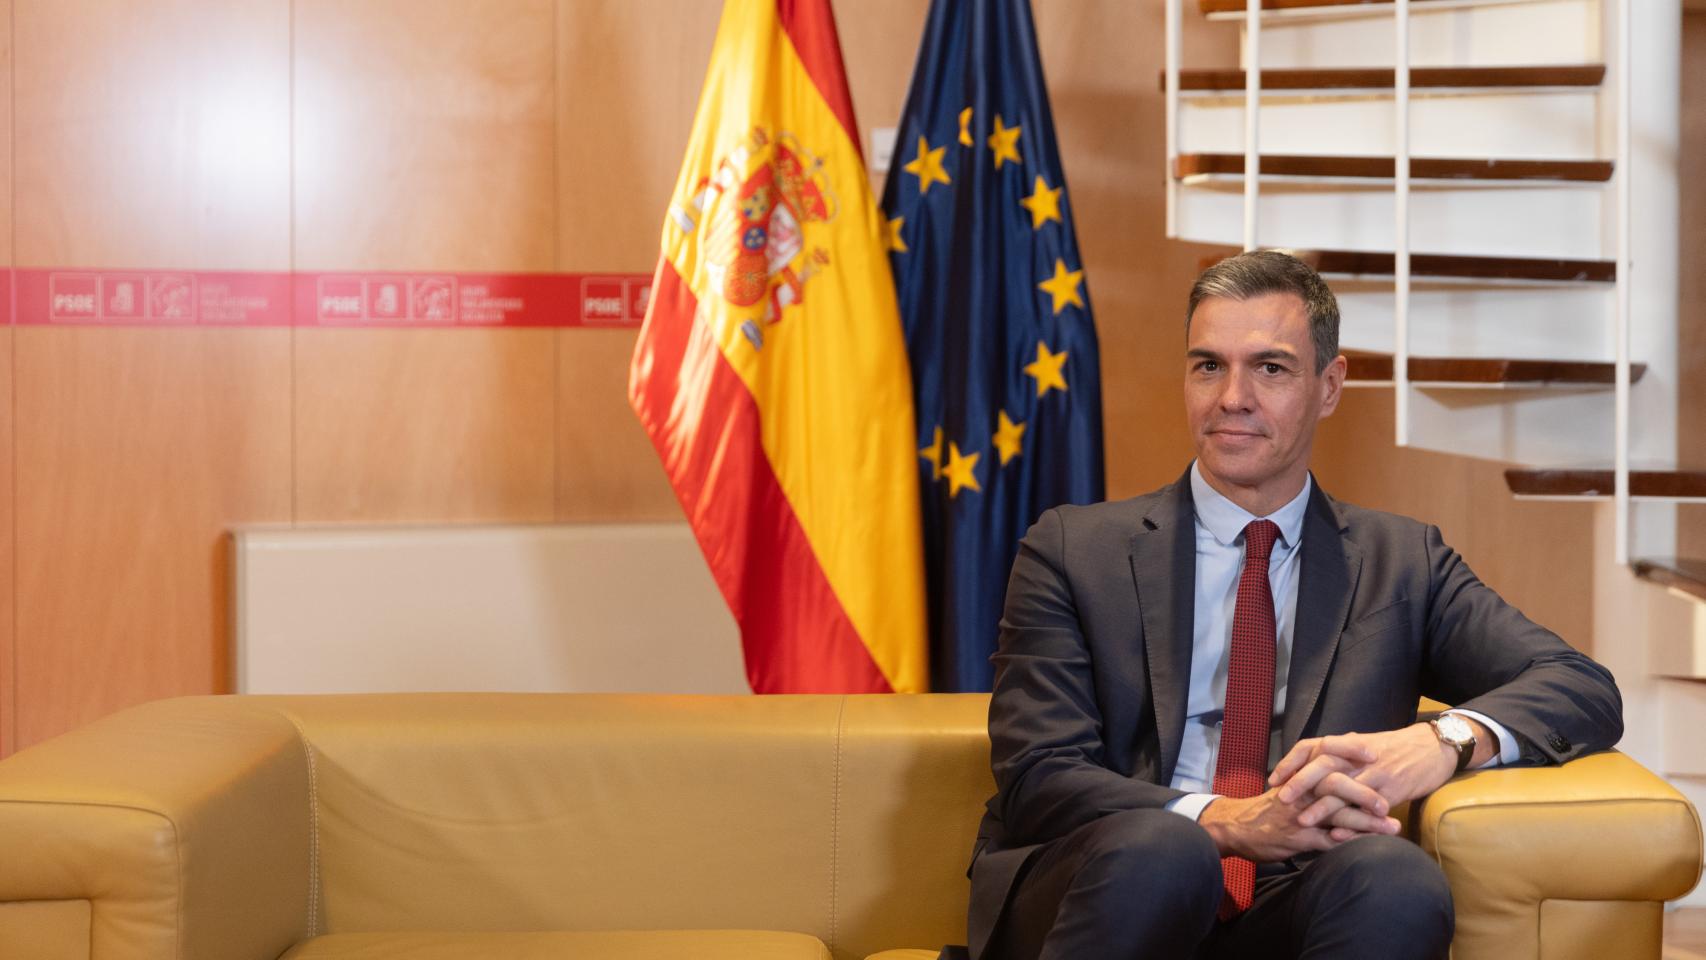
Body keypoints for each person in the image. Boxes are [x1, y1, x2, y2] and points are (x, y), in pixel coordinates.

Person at [966, 250, 1623, 960]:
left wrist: (1444, 742)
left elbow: (1580, 683)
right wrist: (1226, 820)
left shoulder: (1401, 562)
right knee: (1167, 849)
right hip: (1111, 879)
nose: (1232, 398)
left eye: (1270, 368)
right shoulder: (1073, 548)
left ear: (1330, 386)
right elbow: (1039, 774)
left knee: (1393, 876)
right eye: (1208, 365)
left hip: (1291, 893)